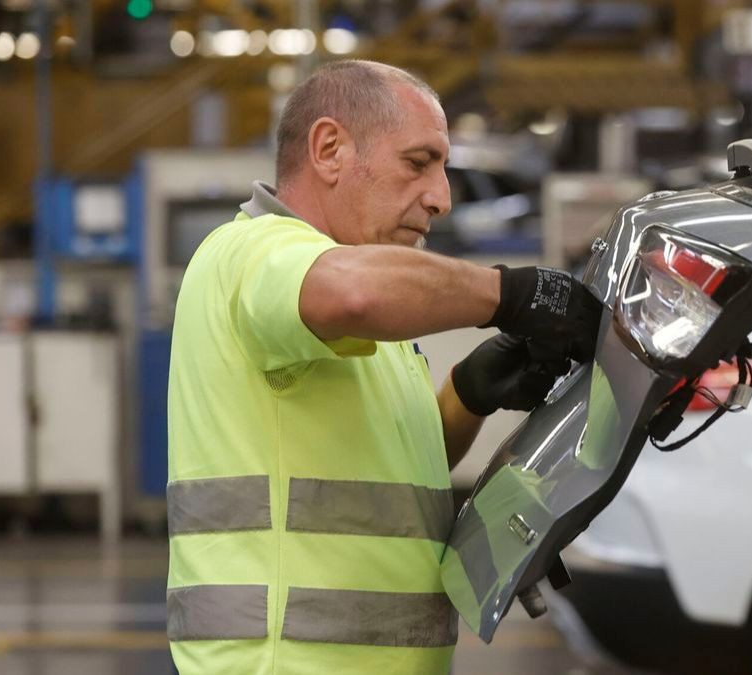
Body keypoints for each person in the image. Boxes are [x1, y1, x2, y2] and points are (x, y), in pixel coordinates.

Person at [164, 60, 599, 675]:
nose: (441, 197)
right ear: (329, 149)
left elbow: (397, 469)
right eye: (418, 163)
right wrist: (513, 294)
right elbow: (354, 293)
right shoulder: (251, 253)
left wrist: (469, 394)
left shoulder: (365, 316)